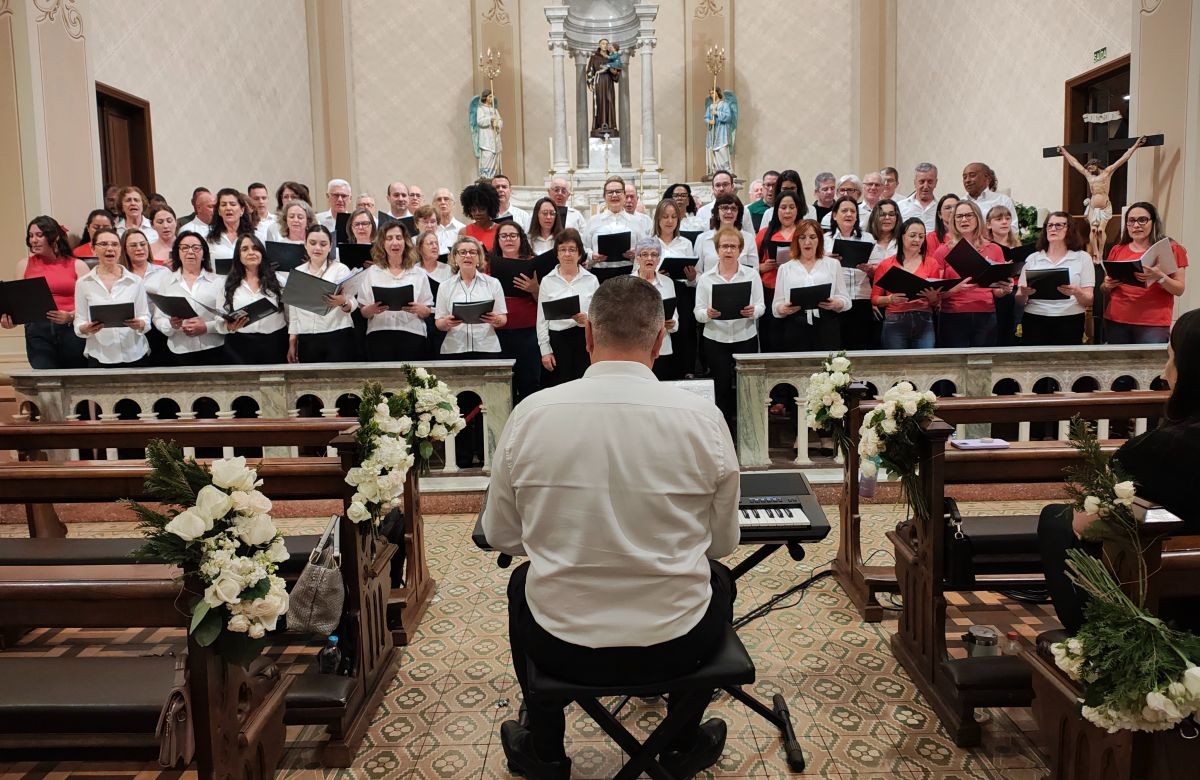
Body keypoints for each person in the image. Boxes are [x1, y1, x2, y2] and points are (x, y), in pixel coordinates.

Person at [484, 274, 739, 780]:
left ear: (588, 337)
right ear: (660, 340)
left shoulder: (532, 413)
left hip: (562, 642)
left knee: (521, 584)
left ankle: (546, 750)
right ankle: (680, 742)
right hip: (677, 642)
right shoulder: (703, 418)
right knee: (719, 581)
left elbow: (502, 538)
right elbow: (723, 542)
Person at [1039, 309, 1200, 634]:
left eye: (1170, 359)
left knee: (1057, 520)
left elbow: (1087, 523)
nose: (1165, 372)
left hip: (1160, 596)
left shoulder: (1158, 449)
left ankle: (1096, 634)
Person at [436, 236, 508, 467]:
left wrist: (496, 319)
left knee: (486, 404)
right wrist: (446, 323)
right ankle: (463, 458)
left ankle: (489, 454)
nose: (468, 256)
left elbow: (503, 318)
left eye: (472, 252)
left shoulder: (492, 283)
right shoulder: (445, 286)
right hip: (455, 349)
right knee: (459, 407)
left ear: (479, 257)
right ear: (455, 258)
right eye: (462, 252)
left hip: (486, 347)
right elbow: (438, 321)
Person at [696, 226, 765, 429]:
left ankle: (749, 431)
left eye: (733, 246)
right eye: (724, 246)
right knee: (721, 387)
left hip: (745, 336)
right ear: (717, 249)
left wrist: (753, 311)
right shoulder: (706, 278)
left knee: (746, 388)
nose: (728, 251)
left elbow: (761, 306)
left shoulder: (751, 275)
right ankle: (724, 431)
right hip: (716, 338)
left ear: (740, 250)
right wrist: (706, 314)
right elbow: (697, 312)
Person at [2, 216, 89, 368]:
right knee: (45, 379)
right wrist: (10, 320)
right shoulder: (23, 265)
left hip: (71, 328)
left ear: (54, 236)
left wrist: (70, 316)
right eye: (30, 236)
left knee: (75, 377)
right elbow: (17, 302)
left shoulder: (77, 265)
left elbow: (90, 302)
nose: (33, 240)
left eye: (39, 235)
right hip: (38, 331)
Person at [1101, 201, 1188, 344]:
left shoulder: (1172, 249)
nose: (1136, 225)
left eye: (1142, 220)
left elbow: (1179, 289)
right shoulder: (1117, 250)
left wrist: (1160, 277)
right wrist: (1107, 285)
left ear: (1153, 222)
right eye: (1131, 221)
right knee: (1118, 365)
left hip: (1153, 323)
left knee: (1149, 365)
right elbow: (1104, 289)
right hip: (1116, 319)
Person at [933, 200, 1014, 347]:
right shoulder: (943, 251)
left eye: (969, 215)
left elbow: (996, 292)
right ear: (953, 220)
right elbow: (936, 291)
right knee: (955, 363)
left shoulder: (994, 249)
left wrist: (1005, 289)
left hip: (985, 313)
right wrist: (954, 289)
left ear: (977, 218)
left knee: (983, 363)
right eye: (959, 216)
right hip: (953, 314)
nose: (964, 220)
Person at [1058, 136, 1148, 263]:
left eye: (1090, 167)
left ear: (1096, 165)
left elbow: (1123, 159)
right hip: (1093, 208)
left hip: (1105, 207)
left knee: (1100, 230)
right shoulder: (1089, 176)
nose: (1088, 169)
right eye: (1087, 168)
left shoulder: (1107, 172)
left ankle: (1100, 252)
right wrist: (1065, 152)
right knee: (1093, 230)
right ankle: (1095, 254)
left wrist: (1135, 146)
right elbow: (1074, 164)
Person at [73, 226, 151, 368]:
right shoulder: (83, 283)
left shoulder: (135, 281)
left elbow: (145, 316)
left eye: (115, 244)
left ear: (120, 249)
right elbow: (79, 320)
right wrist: (85, 328)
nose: (110, 248)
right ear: (93, 249)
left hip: (134, 353)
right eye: (103, 244)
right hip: (100, 354)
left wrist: (140, 324)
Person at [357, 222, 433, 362]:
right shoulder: (372, 273)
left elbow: (427, 311)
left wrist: (419, 308)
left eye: (399, 237)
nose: (395, 242)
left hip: (412, 333)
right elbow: (363, 311)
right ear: (382, 243)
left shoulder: (419, 273)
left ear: (405, 241)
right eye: (389, 238)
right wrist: (373, 309)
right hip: (379, 334)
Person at [1014, 213, 1094, 346]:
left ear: (1070, 229)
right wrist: (1024, 292)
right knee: (1034, 363)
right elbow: (1019, 300)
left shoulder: (1082, 258)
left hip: (1070, 318)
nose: (1053, 229)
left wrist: (1076, 292)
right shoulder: (1033, 258)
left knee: (1066, 363)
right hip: (1035, 317)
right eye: (1049, 225)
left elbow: (1089, 299)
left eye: (1058, 225)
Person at [773, 218, 850, 351]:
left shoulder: (833, 264)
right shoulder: (785, 268)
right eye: (802, 237)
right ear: (796, 241)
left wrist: (837, 303)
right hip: (796, 325)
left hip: (826, 325)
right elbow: (776, 306)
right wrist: (782, 309)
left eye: (812, 237)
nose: (807, 242)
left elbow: (846, 300)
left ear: (819, 240)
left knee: (828, 369)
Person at [287, 225, 357, 363]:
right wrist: (292, 342)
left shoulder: (340, 269)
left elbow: (352, 303)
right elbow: (294, 312)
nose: (317, 248)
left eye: (323, 244)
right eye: (312, 243)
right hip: (308, 338)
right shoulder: (297, 272)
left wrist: (343, 302)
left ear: (330, 246)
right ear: (305, 245)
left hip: (337, 334)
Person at [155, 231, 226, 366]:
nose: (190, 252)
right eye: (185, 248)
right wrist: (171, 325)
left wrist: (206, 327)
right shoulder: (166, 282)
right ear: (178, 253)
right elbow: (158, 318)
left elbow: (226, 316)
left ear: (204, 253)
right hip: (179, 349)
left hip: (213, 348)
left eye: (196, 248)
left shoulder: (218, 282)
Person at [537, 228, 597, 385]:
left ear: (579, 253)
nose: (567, 254)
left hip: (584, 340)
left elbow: (600, 316)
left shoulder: (591, 280)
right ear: (556, 254)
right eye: (562, 250)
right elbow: (541, 320)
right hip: (558, 341)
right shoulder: (547, 281)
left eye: (572, 249)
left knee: (584, 387)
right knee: (560, 388)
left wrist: (588, 319)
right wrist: (545, 351)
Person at [871, 218, 942, 349]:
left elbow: (936, 301)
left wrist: (933, 298)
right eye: (912, 235)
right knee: (896, 364)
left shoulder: (931, 263)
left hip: (924, 318)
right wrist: (890, 298)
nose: (917, 240)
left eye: (921, 236)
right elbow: (875, 298)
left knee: (924, 363)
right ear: (902, 236)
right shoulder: (887, 264)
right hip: (895, 319)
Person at [218, 233, 289, 365]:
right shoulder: (228, 284)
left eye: (255, 248)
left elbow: (289, 314)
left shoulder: (278, 280)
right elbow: (219, 316)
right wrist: (228, 325)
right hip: (240, 345)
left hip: (275, 343)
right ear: (238, 256)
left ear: (262, 253)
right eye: (245, 249)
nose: (251, 252)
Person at [491, 221, 542, 402]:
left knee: (529, 382)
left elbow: (543, 302)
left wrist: (534, 289)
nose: (509, 239)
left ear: (521, 238)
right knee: (502, 386)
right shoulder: (489, 264)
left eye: (513, 235)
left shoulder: (533, 262)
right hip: (497, 332)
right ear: (498, 240)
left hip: (527, 331)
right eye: (503, 236)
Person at [824, 196, 877, 350]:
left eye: (853, 211)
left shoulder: (868, 238)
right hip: (836, 300)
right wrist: (826, 259)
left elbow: (876, 272)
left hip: (861, 298)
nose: (849, 214)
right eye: (844, 210)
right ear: (834, 215)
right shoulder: (825, 240)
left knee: (860, 347)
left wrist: (870, 269)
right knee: (836, 348)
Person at [755, 190, 804, 353]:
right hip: (770, 290)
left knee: (796, 339)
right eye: (783, 207)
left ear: (798, 209)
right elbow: (750, 265)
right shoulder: (765, 233)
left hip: (798, 291)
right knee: (772, 339)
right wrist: (762, 267)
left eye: (792, 207)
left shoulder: (804, 233)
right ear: (776, 210)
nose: (788, 211)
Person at [120, 228, 171, 365]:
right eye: (133, 245)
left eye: (143, 244)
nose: (139, 249)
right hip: (132, 328)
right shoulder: (120, 275)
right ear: (124, 249)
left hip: (159, 327)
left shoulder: (163, 272)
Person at [633, 237, 680, 379]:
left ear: (659, 259)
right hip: (635, 348)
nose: (649, 258)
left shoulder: (668, 283)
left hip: (662, 347)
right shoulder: (628, 283)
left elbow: (675, 317)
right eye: (645, 254)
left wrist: (672, 323)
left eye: (654, 254)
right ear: (637, 258)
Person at [985, 204, 1022, 346]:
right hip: (994, 295)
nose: (1005, 222)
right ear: (989, 224)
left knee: (1013, 331)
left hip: (1015, 292)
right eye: (999, 219)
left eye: (1007, 218)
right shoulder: (987, 247)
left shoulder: (1017, 245)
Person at [585, 176, 645, 263]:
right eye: (610, 192)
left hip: (629, 270)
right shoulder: (593, 221)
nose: (614, 195)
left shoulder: (636, 221)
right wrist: (592, 255)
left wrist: (636, 253)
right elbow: (583, 247)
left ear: (624, 195)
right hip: (600, 271)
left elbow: (645, 247)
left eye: (618, 192)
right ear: (604, 196)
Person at [695, 194, 758, 275]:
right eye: (725, 208)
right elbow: (697, 272)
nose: (729, 212)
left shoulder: (748, 239)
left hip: (740, 286)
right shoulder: (702, 239)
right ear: (717, 213)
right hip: (709, 285)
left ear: (738, 214)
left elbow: (754, 271)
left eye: (733, 208)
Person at [416, 229, 451, 356]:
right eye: (430, 243)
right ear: (420, 248)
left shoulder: (448, 269)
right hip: (419, 319)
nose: (435, 246)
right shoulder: (413, 270)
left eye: (436, 243)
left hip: (442, 320)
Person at [961, 163, 1018, 238]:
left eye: (972, 175)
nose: (967, 180)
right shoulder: (960, 203)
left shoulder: (1003, 200)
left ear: (987, 178)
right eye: (964, 177)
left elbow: (1013, 229)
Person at [207, 188, 254, 267]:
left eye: (233, 204)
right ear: (219, 211)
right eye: (223, 205)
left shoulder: (255, 236)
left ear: (242, 210)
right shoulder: (209, 239)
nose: (228, 208)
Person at [585, 39, 620, 135]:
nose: (605, 45)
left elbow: (616, 71)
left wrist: (615, 71)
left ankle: (611, 125)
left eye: (606, 44)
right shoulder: (594, 57)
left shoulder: (611, 56)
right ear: (599, 45)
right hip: (599, 81)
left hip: (608, 82)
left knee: (610, 101)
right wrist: (590, 83)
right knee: (599, 102)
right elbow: (589, 71)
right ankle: (599, 125)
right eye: (603, 43)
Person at [471, 89, 504, 179]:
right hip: (486, 136)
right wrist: (490, 119)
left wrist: (497, 123)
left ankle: (493, 175)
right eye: (490, 96)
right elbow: (480, 122)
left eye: (493, 96)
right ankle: (486, 175)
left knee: (494, 155)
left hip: (494, 136)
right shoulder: (480, 109)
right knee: (487, 155)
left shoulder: (494, 109)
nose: (492, 98)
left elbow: (500, 121)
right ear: (486, 97)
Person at [460, 181, 501, 253]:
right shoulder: (464, 232)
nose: (477, 213)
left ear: (490, 208)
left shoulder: (500, 230)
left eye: (482, 209)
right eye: (473, 210)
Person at [898, 162, 939, 231]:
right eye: (922, 181)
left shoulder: (941, 208)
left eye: (930, 182)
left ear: (936, 183)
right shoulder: (900, 206)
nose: (925, 186)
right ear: (915, 183)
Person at [704, 90, 734, 177]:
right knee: (713, 150)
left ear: (718, 93)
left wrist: (717, 113)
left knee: (722, 150)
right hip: (712, 131)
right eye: (710, 93)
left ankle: (725, 169)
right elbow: (706, 118)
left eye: (713, 92)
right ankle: (715, 169)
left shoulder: (724, 104)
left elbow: (728, 117)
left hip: (721, 131)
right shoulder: (710, 106)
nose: (711, 95)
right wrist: (710, 121)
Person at [433, 187, 466, 254]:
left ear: (453, 204)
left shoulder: (462, 229)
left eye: (446, 199)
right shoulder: (430, 230)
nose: (442, 202)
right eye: (439, 199)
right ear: (433, 204)